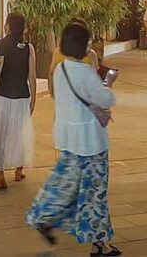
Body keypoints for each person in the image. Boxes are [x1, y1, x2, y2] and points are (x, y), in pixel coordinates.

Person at [27, 22, 119, 256]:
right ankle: (99, 243)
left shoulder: (61, 69)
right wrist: (107, 84)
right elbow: (106, 100)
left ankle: (45, 215)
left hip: (68, 138)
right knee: (94, 193)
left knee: (64, 184)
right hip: (91, 141)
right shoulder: (86, 73)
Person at [0, 12, 36, 190]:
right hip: (21, 96)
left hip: (1, 97)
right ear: (23, 27)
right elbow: (32, 76)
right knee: (19, 134)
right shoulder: (28, 48)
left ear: (8, 26)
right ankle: (18, 170)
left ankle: (0, 174)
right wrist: (33, 99)